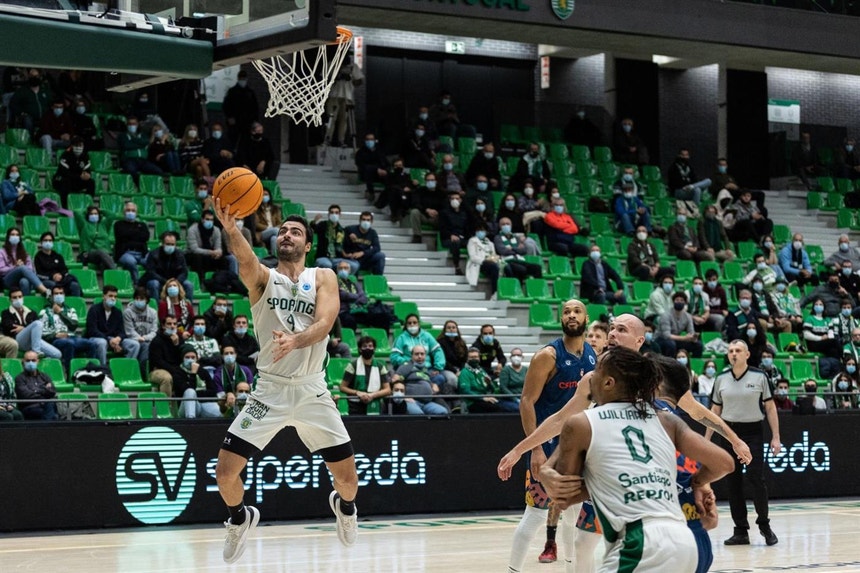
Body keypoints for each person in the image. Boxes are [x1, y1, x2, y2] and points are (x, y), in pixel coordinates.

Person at [211, 202, 359, 563]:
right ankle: (239, 518)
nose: (286, 235)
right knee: (224, 473)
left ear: (308, 245)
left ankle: (346, 508)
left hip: (312, 389)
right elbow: (246, 261)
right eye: (282, 231)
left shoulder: (322, 277)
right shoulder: (264, 278)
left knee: (349, 482)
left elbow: (325, 322)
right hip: (270, 390)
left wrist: (296, 341)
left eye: (294, 231)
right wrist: (232, 230)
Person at [505, 299, 597, 573]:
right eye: (566, 311)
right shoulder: (547, 355)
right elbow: (526, 402)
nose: (571, 315)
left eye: (576, 311)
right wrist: (535, 448)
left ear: (586, 317)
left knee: (571, 515)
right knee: (534, 515)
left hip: (576, 448)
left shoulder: (592, 354)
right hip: (546, 447)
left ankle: (571, 568)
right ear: (561, 319)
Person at [706, 339, 781, 546]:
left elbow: (771, 408)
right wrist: (706, 440)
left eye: (738, 350)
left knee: (757, 480)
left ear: (747, 354)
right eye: (730, 351)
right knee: (733, 483)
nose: (734, 354)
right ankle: (740, 531)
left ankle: (765, 526)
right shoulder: (721, 379)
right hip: (729, 433)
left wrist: (776, 437)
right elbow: (714, 411)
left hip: (753, 432)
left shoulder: (760, 376)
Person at [390, 313, 450, 387]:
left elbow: (437, 351)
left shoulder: (427, 336)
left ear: (419, 324)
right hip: (409, 369)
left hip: (427, 369)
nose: (412, 325)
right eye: (409, 323)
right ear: (406, 325)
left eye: (414, 322)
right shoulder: (401, 338)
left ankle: (430, 393)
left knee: (440, 378)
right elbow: (394, 356)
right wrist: (406, 362)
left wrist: (437, 367)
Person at [0, 288, 62, 359]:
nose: (18, 299)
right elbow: (9, 327)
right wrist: (28, 328)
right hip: (17, 340)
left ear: (23, 298)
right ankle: (36, 352)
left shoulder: (31, 312)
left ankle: (38, 356)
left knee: (57, 354)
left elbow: (38, 329)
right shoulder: (6, 313)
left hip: (34, 340)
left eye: (20, 297)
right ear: (10, 299)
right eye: (15, 297)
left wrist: (23, 328)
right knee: (37, 323)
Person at [86, 285, 141, 363]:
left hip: (114, 340)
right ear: (104, 296)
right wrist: (109, 340)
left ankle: (125, 368)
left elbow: (122, 331)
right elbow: (92, 330)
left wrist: (118, 339)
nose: (113, 298)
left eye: (115, 296)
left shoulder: (117, 312)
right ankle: (103, 369)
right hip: (98, 338)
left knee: (134, 344)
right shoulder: (94, 309)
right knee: (102, 343)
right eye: (110, 296)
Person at [339, 335, 392, 416]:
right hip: (355, 405)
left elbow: (387, 390)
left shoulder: (380, 367)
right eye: (365, 346)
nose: (368, 348)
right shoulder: (352, 366)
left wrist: (372, 395)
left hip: (375, 404)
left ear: (374, 349)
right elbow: (342, 387)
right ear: (360, 349)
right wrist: (358, 393)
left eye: (370, 346)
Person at [391, 345, 450, 415]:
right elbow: (394, 381)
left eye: (422, 354)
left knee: (443, 412)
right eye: (416, 354)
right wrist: (403, 398)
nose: (420, 356)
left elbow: (426, 382)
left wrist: (433, 385)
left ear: (425, 356)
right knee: (418, 415)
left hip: (427, 403)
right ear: (411, 355)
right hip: (412, 402)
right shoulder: (406, 366)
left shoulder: (425, 369)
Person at [458, 347, 516, 413]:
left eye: (476, 357)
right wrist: (482, 398)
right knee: (499, 409)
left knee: (510, 407)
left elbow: (492, 389)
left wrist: (490, 384)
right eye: (471, 357)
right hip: (472, 402)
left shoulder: (481, 370)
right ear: (467, 359)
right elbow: (465, 391)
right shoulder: (464, 372)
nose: (474, 359)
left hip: (487, 398)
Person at [141, 231, 194, 302]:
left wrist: (176, 282)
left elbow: (184, 272)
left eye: (172, 244)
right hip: (159, 281)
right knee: (153, 284)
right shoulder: (153, 254)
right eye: (168, 244)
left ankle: (187, 309)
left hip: (175, 282)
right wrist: (166, 282)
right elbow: (151, 272)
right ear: (162, 243)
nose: (170, 246)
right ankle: (156, 309)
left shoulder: (180, 255)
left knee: (188, 285)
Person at [173, 345, 221, 419]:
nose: (190, 360)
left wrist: (197, 394)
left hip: (203, 404)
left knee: (217, 412)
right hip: (184, 407)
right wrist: (193, 374)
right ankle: (190, 422)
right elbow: (186, 392)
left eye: (193, 357)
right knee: (190, 391)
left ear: (197, 359)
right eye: (187, 357)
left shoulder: (203, 371)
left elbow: (213, 392)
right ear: (182, 359)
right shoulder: (177, 372)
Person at [0, 228, 50, 296]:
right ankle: (44, 291)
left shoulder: (24, 254)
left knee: (24, 281)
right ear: (8, 237)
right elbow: (1, 270)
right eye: (12, 234)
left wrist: (21, 268)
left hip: (22, 279)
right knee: (22, 268)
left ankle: (26, 304)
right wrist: (15, 267)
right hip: (7, 280)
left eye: (17, 235)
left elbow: (31, 270)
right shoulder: (2, 252)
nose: (15, 236)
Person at [114, 201, 150, 286]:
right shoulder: (118, 224)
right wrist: (137, 233)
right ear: (124, 212)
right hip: (125, 253)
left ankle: (147, 282)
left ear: (136, 213)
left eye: (133, 210)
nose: (131, 212)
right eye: (128, 210)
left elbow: (145, 237)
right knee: (131, 262)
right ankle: (137, 284)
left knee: (151, 262)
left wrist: (129, 233)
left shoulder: (142, 225)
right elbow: (121, 235)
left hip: (141, 253)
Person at [34, 232, 81, 297]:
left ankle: (76, 305)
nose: (48, 242)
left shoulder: (58, 256)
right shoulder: (38, 257)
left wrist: (60, 275)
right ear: (41, 242)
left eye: (50, 240)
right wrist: (52, 276)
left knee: (74, 285)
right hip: (46, 280)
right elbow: (38, 274)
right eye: (45, 240)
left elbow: (64, 270)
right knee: (53, 285)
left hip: (60, 280)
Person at [658, 291, 704, 358]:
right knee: (671, 344)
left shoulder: (688, 316)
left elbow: (691, 332)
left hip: (676, 340)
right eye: (677, 300)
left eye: (682, 300)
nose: (679, 302)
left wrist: (693, 338)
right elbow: (666, 335)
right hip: (661, 339)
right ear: (673, 302)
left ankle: (693, 365)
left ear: (685, 303)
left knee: (698, 345)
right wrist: (684, 338)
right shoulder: (666, 315)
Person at [14, 351, 58, 420]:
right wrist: (44, 390)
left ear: (38, 361)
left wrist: (35, 391)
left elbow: (53, 391)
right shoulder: (19, 378)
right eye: (28, 360)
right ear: (23, 362)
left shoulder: (44, 376)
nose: (30, 363)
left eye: (33, 360)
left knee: (51, 409)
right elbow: (25, 395)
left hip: (45, 405)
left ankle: (46, 428)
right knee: (51, 413)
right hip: (30, 407)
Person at [52, 136, 95, 207]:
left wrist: (87, 175)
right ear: (72, 146)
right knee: (65, 182)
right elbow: (65, 173)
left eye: (80, 145)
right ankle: (65, 207)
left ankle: (89, 206)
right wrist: (79, 176)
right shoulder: (65, 155)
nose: (78, 148)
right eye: (76, 145)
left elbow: (87, 170)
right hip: (63, 179)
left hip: (77, 180)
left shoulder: (85, 156)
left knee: (91, 182)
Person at [118, 115, 162, 184]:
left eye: (134, 124)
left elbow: (146, 142)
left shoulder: (143, 135)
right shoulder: (122, 136)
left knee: (158, 171)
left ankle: (148, 186)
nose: (132, 126)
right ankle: (139, 186)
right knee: (131, 170)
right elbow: (127, 145)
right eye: (130, 124)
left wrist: (133, 140)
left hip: (143, 161)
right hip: (130, 160)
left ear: (137, 125)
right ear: (126, 125)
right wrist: (141, 144)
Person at [212, 345, 254, 417]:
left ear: (236, 355)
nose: (229, 355)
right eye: (226, 353)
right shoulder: (218, 375)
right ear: (222, 356)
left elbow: (253, 391)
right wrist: (228, 395)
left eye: (231, 353)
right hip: (227, 407)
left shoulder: (246, 371)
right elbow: (220, 400)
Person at [466, 222, 504, 296]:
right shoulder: (472, 241)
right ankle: (494, 293)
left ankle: (505, 291)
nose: (481, 232)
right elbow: (473, 257)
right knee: (494, 267)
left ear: (486, 232)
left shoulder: (490, 243)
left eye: (483, 231)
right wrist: (485, 260)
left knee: (506, 267)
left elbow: (493, 255)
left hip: (491, 262)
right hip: (479, 263)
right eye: (479, 230)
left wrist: (494, 258)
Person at [148, 316, 183, 397]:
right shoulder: (156, 340)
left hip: (175, 369)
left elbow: (183, 356)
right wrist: (174, 370)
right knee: (166, 378)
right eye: (169, 324)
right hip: (158, 370)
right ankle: (166, 406)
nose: (172, 326)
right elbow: (158, 361)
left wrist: (176, 345)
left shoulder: (179, 339)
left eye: (175, 324)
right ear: (163, 326)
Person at [439, 191, 472, 274]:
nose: (455, 200)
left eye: (457, 198)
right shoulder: (444, 213)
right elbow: (442, 228)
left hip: (462, 238)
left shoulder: (464, 214)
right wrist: (450, 235)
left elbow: (467, 229)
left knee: (473, 243)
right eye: (452, 198)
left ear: (460, 200)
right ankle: (457, 266)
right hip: (448, 238)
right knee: (456, 242)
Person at [222, 70, 259, 144]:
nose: (243, 81)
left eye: (244, 79)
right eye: (241, 79)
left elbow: (255, 108)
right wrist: (229, 117)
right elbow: (226, 105)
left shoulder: (250, 92)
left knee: (246, 141)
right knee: (234, 140)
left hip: (247, 122)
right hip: (235, 121)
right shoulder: (232, 91)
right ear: (238, 79)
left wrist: (255, 120)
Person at [75, 205, 116, 271]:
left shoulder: (103, 225)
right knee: (100, 252)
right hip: (89, 253)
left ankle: (110, 280)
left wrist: (99, 209)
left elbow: (112, 215)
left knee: (103, 264)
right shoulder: (84, 224)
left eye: (96, 213)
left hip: (104, 255)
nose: (93, 215)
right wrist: (88, 209)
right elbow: (77, 212)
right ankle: (115, 271)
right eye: (91, 214)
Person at [354, 133, 389, 200]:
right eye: (368, 139)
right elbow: (361, 165)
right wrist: (376, 169)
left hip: (379, 173)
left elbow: (385, 163)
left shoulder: (379, 151)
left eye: (371, 139)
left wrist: (384, 170)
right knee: (368, 170)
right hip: (366, 174)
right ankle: (371, 193)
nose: (370, 141)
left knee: (389, 175)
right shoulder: (361, 152)